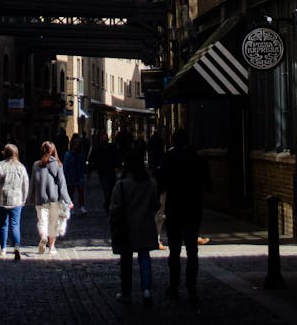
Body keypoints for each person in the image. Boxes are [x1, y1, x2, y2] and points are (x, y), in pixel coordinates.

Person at [155, 128, 212, 305]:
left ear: (173, 141)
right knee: (192, 251)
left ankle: (174, 286)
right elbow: (208, 185)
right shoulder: (198, 159)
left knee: (174, 250)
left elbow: (160, 185)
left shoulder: (168, 159)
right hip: (193, 209)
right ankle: (192, 287)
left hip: (175, 208)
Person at [109, 146, 160, 307]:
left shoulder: (122, 185)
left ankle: (126, 293)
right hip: (145, 226)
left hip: (127, 228)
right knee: (145, 258)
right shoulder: (151, 183)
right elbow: (156, 205)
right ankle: (146, 290)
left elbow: (114, 208)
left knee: (126, 260)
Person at [0, 142, 29, 260]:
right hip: (17, 200)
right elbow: (25, 185)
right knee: (15, 224)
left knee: (3, 225)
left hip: (1, 199)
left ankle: (3, 249)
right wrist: (24, 199)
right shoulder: (21, 167)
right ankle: (16, 248)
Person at [28, 140, 72, 256]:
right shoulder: (58, 165)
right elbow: (62, 184)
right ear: (53, 150)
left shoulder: (36, 165)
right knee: (53, 223)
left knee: (42, 221)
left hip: (40, 198)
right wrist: (68, 200)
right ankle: (51, 247)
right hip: (55, 198)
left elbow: (32, 183)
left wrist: (29, 198)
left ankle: (43, 236)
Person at [89, 130, 120, 213]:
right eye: (103, 138)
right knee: (107, 190)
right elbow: (92, 159)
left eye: (105, 138)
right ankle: (108, 204)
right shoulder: (98, 148)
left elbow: (117, 157)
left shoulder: (111, 147)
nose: (104, 139)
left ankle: (109, 203)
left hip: (111, 171)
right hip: (103, 172)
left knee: (111, 189)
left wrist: (117, 166)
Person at [63, 133, 87, 214]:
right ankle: (71, 206)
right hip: (70, 176)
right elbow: (65, 167)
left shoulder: (80, 154)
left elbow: (83, 164)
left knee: (80, 191)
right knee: (71, 192)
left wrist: (85, 173)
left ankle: (81, 206)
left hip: (79, 175)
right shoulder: (68, 155)